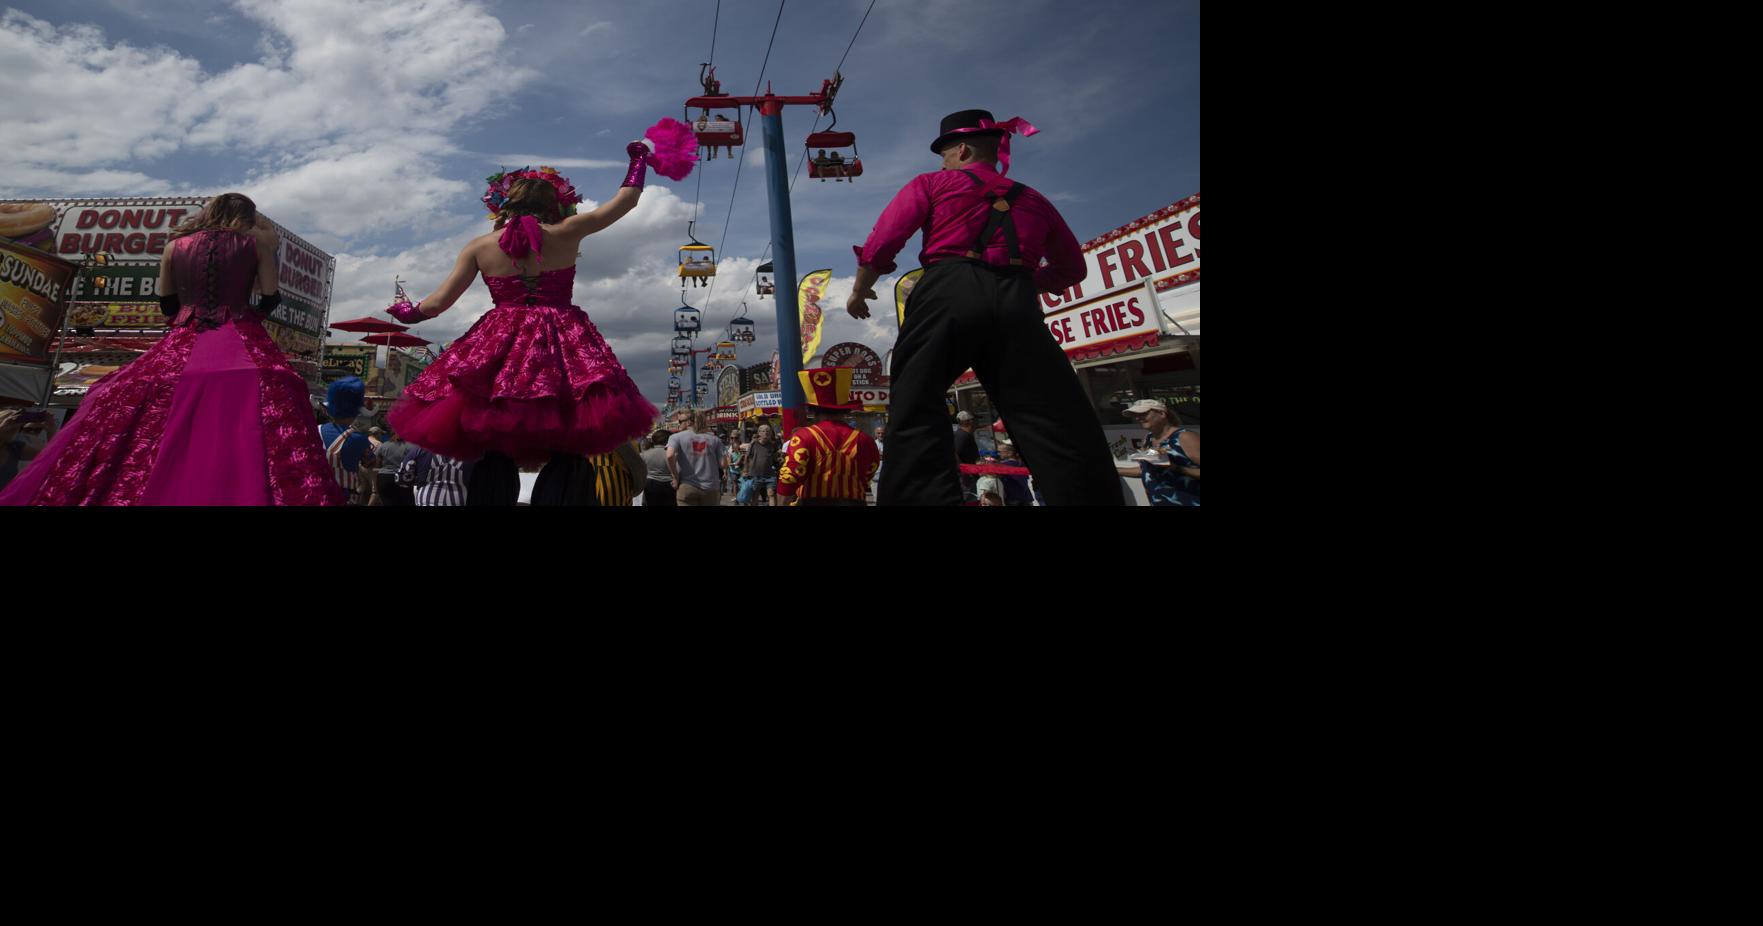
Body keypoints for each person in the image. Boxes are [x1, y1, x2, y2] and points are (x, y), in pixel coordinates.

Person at [848, 110, 1120, 506]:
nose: (942, 161)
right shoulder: (1034, 199)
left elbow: (883, 242)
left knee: (916, 398)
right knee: (1052, 414)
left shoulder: (932, 183)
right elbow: (1071, 269)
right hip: (1018, 300)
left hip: (949, 287)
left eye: (944, 154)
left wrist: (859, 291)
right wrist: (1019, 283)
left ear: (959, 149)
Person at [1, 194, 343, 506]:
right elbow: (271, 297)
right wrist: (248, 310)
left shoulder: (174, 245)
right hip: (240, 331)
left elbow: (166, 303)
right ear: (247, 218)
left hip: (183, 334)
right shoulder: (256, 245)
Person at [385, 152, 659, 507]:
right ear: (554, 204)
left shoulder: (479, 246)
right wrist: (638, 160)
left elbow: (436, 305)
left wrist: (407, 313)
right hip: (561, 337)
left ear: (504, 204)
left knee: (494, 447)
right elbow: (626, 201)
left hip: (499, 339)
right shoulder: (568, 231)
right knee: (568, 446)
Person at [776, 368, 881, 507]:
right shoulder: (864, 439)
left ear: (813, 411)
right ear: (846, 409)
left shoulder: (804, 436)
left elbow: (790, 476)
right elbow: (869, 470)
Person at [1115, 398, 1200, 506]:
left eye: (1143, 414)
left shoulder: (1185, 437)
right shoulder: (1148, 439)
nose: (1138, 418)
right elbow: (1145, 470)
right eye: (1135, 415)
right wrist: (1113, 470)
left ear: (1162, 413)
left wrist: (1179, 468)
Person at [321, 377, 377, 505]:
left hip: (316, 495)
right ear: (356, 410)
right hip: (344, 498)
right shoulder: (357, 438)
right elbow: (370, 463)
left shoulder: (315, 430)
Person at [666, 411, 725, 506]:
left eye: (680, 421)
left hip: (687, 486)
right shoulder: (715, 439)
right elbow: (723, 464)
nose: (678, 424)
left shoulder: (675, 437)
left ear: (689, 422)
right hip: (710, 488)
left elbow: (669, 455)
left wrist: (675, 477)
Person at [398, 446, 472, 507]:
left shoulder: (420, 448)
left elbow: (402, 479)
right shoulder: (471, 450)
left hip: (427, 498)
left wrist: (419, 477)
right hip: (459, 499)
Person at [374, 430, 417, 507]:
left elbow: (377, 464)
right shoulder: (411, 446)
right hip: (403, 478)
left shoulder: (383, 446)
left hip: (384, 478)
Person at [738, 424, 778, 506]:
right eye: (763, 431)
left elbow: (774, 458)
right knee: (755, 495)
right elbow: (747, 458)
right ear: (759, 433)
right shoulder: (753, 444)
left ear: (770, 433)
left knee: (771, 494)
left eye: (768, 431)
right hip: (755, 474)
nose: (766, 433)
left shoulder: (772, 445)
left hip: (769, 474)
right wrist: (745, 470)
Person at [639, 430, 677, 507]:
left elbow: (641, 471)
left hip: (650, 485)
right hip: (669, 485)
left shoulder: (644, 454)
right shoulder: (671, 453)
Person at [953, 411, 981, 503]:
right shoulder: (962, 436)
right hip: (967, 476)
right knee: (971, 500)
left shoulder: (965, 435)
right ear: (969, 422)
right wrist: (965, 471)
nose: (977, 422)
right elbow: (955, 453)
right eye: (974, 420)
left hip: (971, 473)